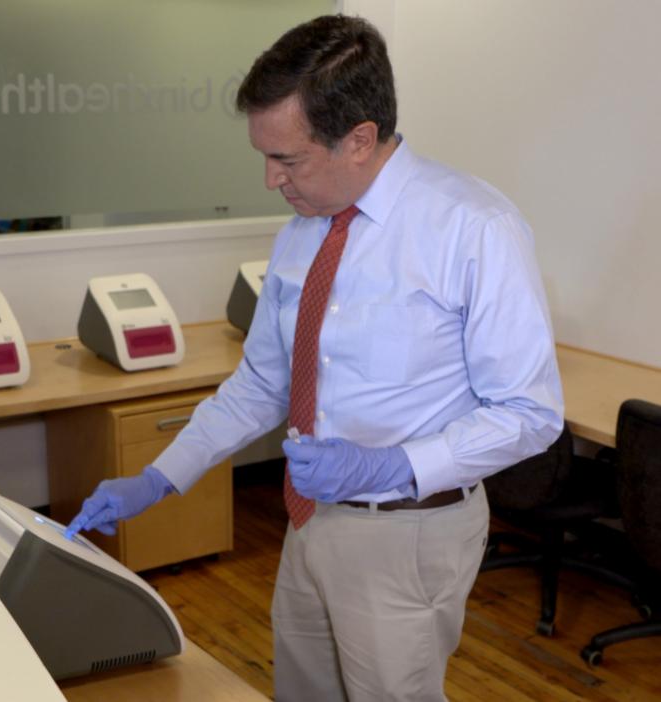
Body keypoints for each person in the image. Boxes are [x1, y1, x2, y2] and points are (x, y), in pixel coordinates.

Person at [65, 13, 563, 702]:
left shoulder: (473, 228)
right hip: (311, 519)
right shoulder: (304, 230)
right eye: (264, 157)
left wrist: (393, 465)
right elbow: (262, 384)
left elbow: (531, 414)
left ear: (360, 140)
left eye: (287, 159)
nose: (271, 180)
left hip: (408, 533)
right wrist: (160, 477)